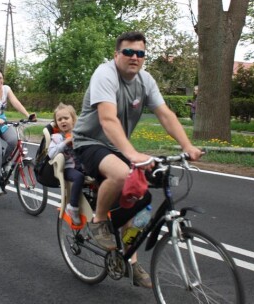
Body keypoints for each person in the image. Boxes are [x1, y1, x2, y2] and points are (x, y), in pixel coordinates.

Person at [73, 31, 203, 288]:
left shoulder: (145, 80)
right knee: (121, 174)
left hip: (117, 144)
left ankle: (130, 260)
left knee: (141, 197)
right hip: (90, 142)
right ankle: (99, 220)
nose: (135, 57)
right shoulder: (105, 74)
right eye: (129, 52)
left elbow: (165, 114)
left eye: (140, 53)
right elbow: (107, 119)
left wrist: (187, 146)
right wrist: (132, 154)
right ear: (116, 54)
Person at [0, 68, 36, 196]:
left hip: (2, 121)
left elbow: (15, 102)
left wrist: (28, 115)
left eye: (0, 78)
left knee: (14, 141)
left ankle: (4, 164)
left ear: (3, 79)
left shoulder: (6, 89)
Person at [48, 103, 84, 225]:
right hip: (68, 168)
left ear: (73, 120)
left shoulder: (79, 134)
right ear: (56, 122)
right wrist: (65, 143)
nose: (63, 121)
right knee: (79, 177)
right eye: (59, 119)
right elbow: (51, 154)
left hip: (83, 165)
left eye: (66, 118)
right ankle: (72, 206)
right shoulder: (57, 137)